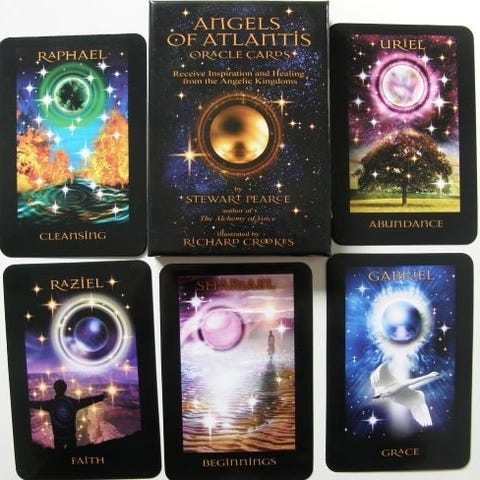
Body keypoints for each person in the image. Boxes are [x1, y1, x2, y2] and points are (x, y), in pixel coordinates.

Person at [30, 379, 105, 449]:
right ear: (65, 388)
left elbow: (36, 404)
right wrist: (102, 397)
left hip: (58, 438)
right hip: (71, 437)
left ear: (55, 389)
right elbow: (87, 401)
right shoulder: (72, 403)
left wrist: (25, 402)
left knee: (59, 457)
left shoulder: (50, 404)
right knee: (71, 457)